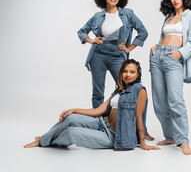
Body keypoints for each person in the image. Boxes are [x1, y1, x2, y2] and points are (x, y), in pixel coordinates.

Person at [24, 59, 159, 151]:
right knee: (70, 118)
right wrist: (74, 109)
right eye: (125, 71)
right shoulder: (119, 90)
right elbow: (100, 110)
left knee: (71, 133)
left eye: (132, 72)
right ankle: (45, 138)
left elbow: (139, 118)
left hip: (114, 135)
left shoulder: (139, 90)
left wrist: (142, 143)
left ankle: (44, 141)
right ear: (121, 72)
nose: (127, 74)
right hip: (103, 123)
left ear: (138, 74)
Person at [77, 0, 148, 109]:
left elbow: (143, 32)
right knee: (98, 93)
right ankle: (99, 121)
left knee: (126, 89)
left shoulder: (128, 14)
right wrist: (91, 40)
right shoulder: (97, 16)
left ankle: (125, 120)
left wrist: (128, 48)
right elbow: (81, 32)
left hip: (118, 57)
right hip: (98, 56)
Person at [149, 0, 191, 155]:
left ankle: (183, 140)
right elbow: (164, 36)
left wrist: (180, 53)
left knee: (175, 101)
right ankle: (170, 135)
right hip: (157, 57)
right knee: (159, 102)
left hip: (174, 58)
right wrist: (156, 46)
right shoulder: (169, 17)